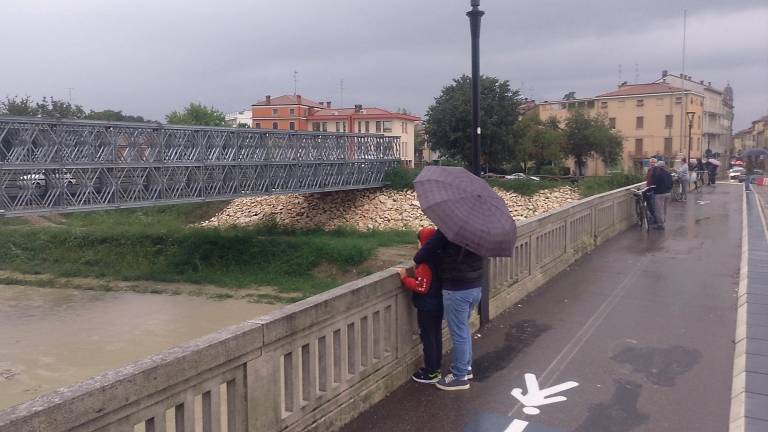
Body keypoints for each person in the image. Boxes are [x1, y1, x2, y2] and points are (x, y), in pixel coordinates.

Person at [413, 229, 482, 391]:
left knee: (459, 333)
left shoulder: (449, 228)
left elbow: (421, 254)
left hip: (457, 289)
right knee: (463, 329)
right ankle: (466, 368)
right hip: (475, 286)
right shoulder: (478, 231)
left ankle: (459, 377)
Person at [398, 227, 444, 384]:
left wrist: (405, 278)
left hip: (427, 306)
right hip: (439, 303)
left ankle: (431, 372)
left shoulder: (425, 263)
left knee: (428, 338)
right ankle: (436, 367)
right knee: (436, 336)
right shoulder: (440, 257)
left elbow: (422, 287)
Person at [650, 160, 673, 229]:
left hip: (659, 194)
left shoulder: (658, 174)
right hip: (668, 193)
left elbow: (654, 182)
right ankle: (663, 221)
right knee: (664, 209)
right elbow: (672, 183)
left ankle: (660, 225)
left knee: (658, 210)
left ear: (659, 167)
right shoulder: (668, 173)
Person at [645, 158, 658, 224]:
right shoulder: (649, 169)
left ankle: (655, 219)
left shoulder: (657, 170)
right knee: (649, 204)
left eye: (653, 162)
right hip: (648, 188)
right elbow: (647, 179)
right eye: (651, 162)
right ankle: (652, 218)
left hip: (654, 189)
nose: (652, 163)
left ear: (656, 163)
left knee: (653, 205)